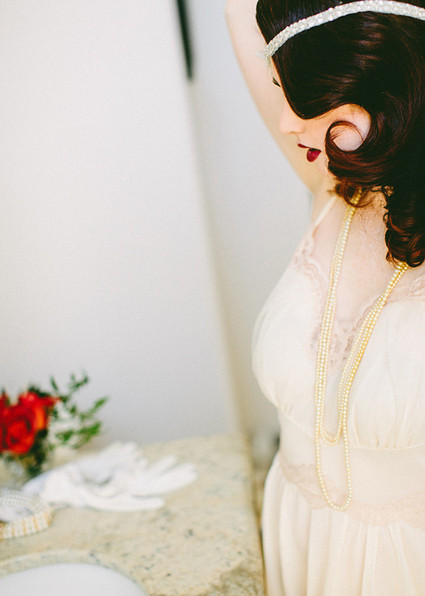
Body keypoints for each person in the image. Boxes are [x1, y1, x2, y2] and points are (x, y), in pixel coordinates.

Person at [226, 0, 425, 594]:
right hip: (298, 539)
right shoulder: (332, 188)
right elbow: (239, 13)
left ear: (382, 86)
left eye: (302, 96)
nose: (287, 122)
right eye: (279, 91)